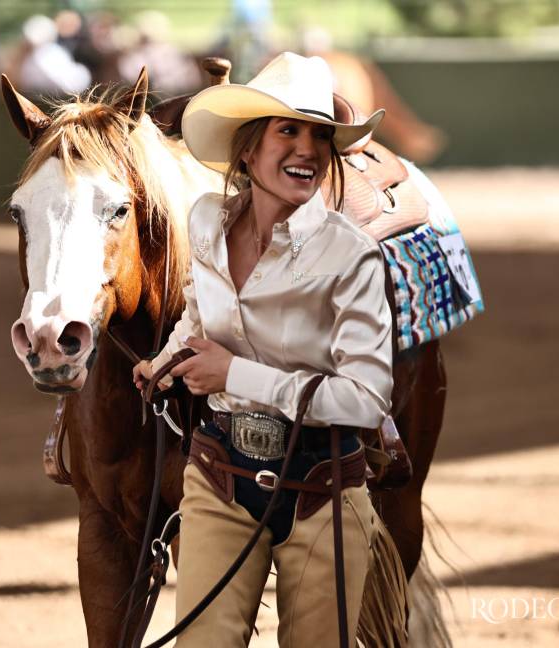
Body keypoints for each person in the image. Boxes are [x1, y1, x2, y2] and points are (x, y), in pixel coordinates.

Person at [132, 52, 398, 647]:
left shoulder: (349, 255)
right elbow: (199, 314)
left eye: (319, 136)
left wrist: (236, 374)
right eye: (288, 130)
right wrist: (168, 360)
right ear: (248, 149)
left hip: (323, 487)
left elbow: (366, 399)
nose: (307, 149)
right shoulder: (205, 224)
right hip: (219, 471)